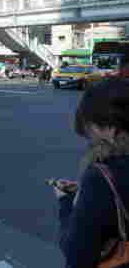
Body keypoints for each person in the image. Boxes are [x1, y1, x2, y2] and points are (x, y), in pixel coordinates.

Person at [52, 78, 129, 268]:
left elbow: (77, 252)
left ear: (111, 128)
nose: (90, 139)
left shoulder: (102, 177)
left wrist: (66, 201)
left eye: (92, 129)